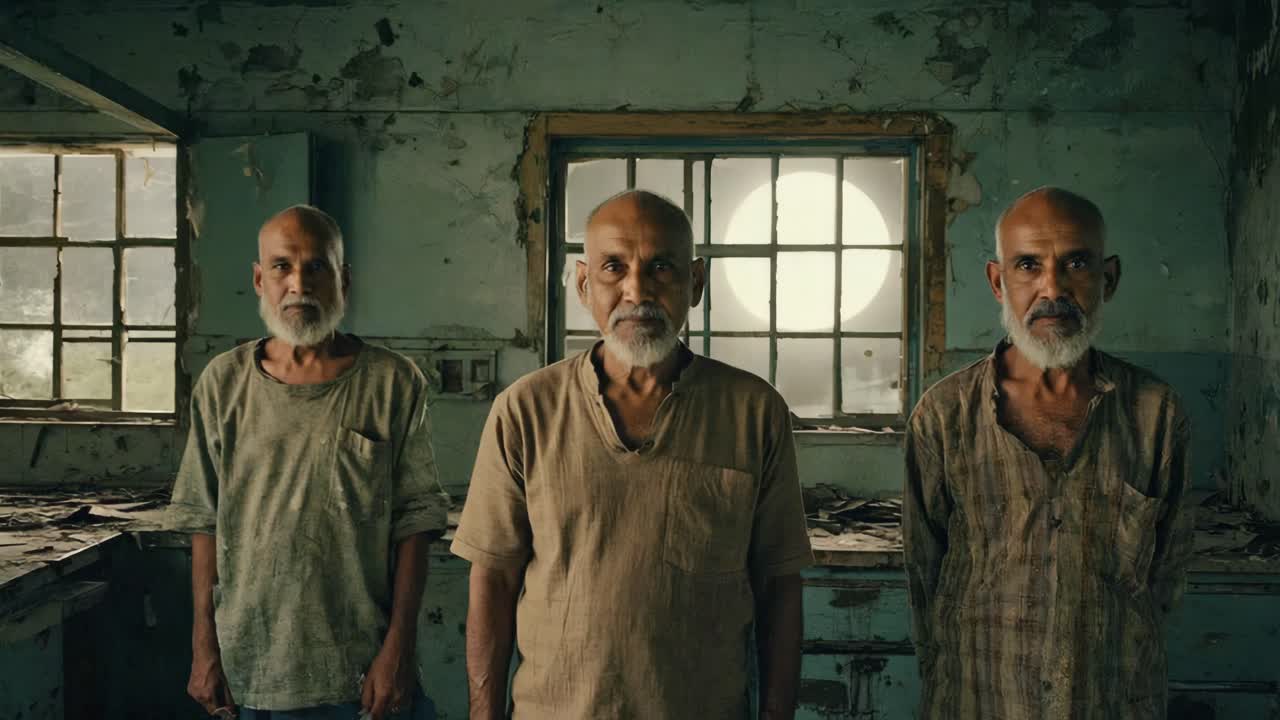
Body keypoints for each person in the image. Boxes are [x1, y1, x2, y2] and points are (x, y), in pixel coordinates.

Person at [451, 190, 814, 719]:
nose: (636, 290)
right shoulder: (526, 410)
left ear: (696, 283)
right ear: (583, 283)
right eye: (613, 267)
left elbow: (779, 582)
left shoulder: (753, 411)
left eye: (662, 267)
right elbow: (493, 578)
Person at [904, 187, 1194, 720]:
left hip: (1113, 702)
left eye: (1075, 263)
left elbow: (1165, 576)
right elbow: (926, 576)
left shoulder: (1156, 413)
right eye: (1028, 265)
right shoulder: (942, 416)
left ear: (1108, 278)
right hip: (978, 699)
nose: (1052, 288)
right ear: (998, 281)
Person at [166, 205, 447, 720]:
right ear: (259, 279)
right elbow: (202, 521)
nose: (300, 284)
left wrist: (398, 649)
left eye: (317, 267)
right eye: (281, 267)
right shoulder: (223, 383)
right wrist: (204, 648)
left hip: (358, 667)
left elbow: (417, 522)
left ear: (343, 279)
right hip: (250, 664)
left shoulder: (392, 382)